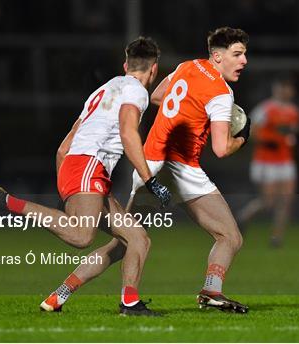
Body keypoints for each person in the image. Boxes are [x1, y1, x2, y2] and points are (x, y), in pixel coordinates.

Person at [40, 27, 251, 314]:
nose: (243, 61)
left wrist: (188, 112)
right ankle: (211, 290)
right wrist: (243, 136)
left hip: (151, 164)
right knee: (230, 236)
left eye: (244, 55)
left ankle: (60, 293)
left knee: (125, 242)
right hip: (181, 169)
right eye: (237, 54)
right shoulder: (222, 93)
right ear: (217, 56)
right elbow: (221, 148)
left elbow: (157, 97)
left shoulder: (186, 67)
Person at [0, 37, 171, 316]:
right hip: (88, 167)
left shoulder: (101, 91)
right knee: (81, 236)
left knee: (137, 239)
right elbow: (129, 134)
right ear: (154, 71)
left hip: (80, 167)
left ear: (125, 65)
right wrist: (150, 180)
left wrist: (67, 189)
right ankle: (5, 202)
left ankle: (65, 297)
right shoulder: (137, 91)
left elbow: (63, 147)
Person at [237, 78, 299, 248]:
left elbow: (292, 132)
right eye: (283, 87)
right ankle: (244, 216)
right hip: (266, 161)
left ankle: (276, 237)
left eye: (288, 88)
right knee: (268, 201)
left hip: (286, 161)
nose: (286, 91)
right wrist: (267, 141)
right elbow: (250, 131)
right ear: (276, 89)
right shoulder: (265, 109)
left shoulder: (293, 111)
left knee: (286, 200)